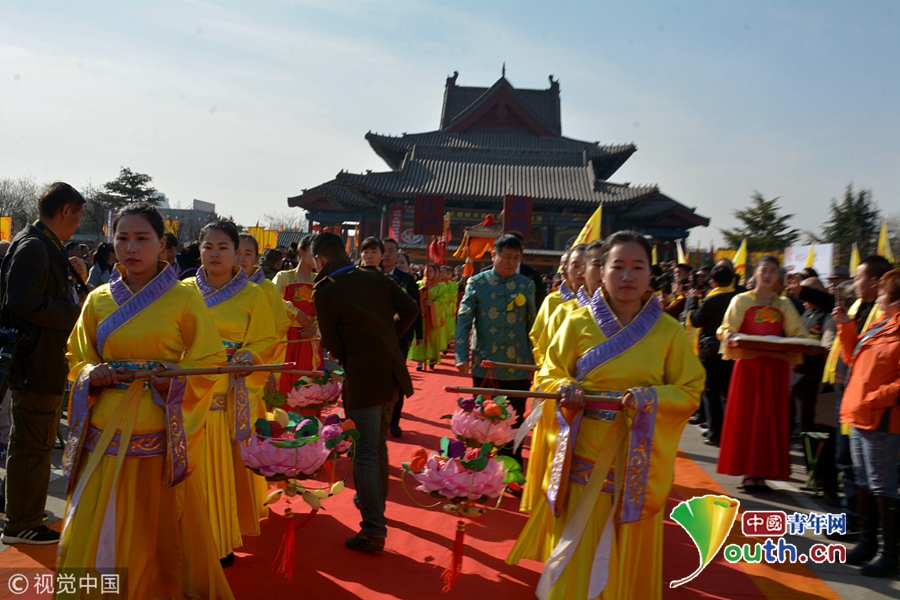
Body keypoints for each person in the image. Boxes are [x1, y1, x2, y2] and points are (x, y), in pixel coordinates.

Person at [507, 231, 704, 600]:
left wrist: (649, 398)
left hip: (635, 462)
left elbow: (690, 387)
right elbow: (550, 371)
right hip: (583, 453)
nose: (627, 275)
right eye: (618, 266)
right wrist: (565, 387)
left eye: (637, 266)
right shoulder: (577, 322)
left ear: (650, 274)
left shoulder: (669, 332)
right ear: (602, 271)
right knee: (577, 548)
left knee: (621, 560)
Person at [58, 202, 233, 598]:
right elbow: (77, 356)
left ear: (162, 244)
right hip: (103, 429)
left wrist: (169, 382)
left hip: (157, 427)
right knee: (96, 523)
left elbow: (207, 361)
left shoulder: (184, 299)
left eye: (142, 238)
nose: (131, 247)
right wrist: (91, 374)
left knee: (153, 527)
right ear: (111, 242)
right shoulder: (98, 298)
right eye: (122, 238)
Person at [311, 232, 419, 552]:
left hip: (364, 377)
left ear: (319, 259)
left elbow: (331, 341)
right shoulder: (374, 277)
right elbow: (411, 309)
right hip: (392, 373)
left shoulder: (326, 290)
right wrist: (386, 337)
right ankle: (372, 507)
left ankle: (373, 529)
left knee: (365, 453)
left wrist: (355, 355)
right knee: (376, 445)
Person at [186, 221, 278, 566]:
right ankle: (188, 539)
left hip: (227, 394)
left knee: (222, 470)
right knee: (188, 470)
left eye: (223, 247)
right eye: (208, 246)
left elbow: (267, 340)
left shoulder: (253, 294)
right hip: (187, 392)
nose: (215, 253)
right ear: (199, 250)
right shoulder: (181, 291)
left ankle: (221, 539)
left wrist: (246, 357)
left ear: (236, 253)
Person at [0, 182, 84, 545]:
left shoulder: (39, 243)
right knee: (32, 443)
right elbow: (24, 301)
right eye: (78, 216)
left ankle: (26, 512)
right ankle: (22, 522)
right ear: (65, 210)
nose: (78, 225)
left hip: (42, 360)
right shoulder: (35, 246)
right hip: (35, 362)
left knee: (35, 441)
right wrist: (74, 312)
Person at [716, 256, 809, 492]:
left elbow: (797, 332)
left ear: (779, 277)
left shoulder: (784, 304)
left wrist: (803, 342)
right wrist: (727, 335)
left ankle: (763, 472)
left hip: (775, 369)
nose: (767, 275)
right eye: (763, 270)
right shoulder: (741, 300)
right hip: (748, 367)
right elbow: (727, 327)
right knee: (748, 418)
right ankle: (748, 473)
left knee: (770, 419)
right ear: (755, 274)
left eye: (772, 272)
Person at [834, 268, 900, 577]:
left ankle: (890, 552)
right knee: (863, 480)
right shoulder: (879, 325)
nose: (878, 294)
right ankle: (867, 542)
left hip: (882, 419)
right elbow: (852, 358)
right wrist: (846, 328)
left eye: (884, 291)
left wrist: (875, 398)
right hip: (859, 415)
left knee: (882, 485)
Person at [823, 256, 891, 540]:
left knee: (867, 472)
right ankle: (857, 524)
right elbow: (851, 353)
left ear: (876, 283)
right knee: (848, 462)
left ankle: (862, 527)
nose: (854, 283)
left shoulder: (882, 314)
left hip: (870, 404)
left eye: (859, 277)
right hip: (848, 395)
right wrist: (844, 324)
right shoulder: (860, 306)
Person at [455, 234, 536, 463]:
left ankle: (511, 465)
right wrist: (461, 355)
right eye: (506, 257)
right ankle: (479, 463)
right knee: (481, 415)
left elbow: (533, 324)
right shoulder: (477, 283)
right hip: (485, 361)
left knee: (514, 416)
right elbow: (464, 319)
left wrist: (534, 361)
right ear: (494, 255)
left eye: (516, 257)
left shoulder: (526, 285)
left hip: (517, 363)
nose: (511, 262)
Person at [689, 264, 737, 447]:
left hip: (710, 351)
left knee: (711, 392)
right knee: (728, 393)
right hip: (731, 350)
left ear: (714, 281)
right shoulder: (738, 297)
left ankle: (715, 432)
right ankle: (730, 431)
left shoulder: (711, 299)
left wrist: (693, 301)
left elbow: (696, 320)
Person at [381, 238, 421, 438]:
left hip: (400, 338)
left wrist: (418, 334)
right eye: (384, 250)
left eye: (391, 251)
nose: (387, 254)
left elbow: (416, 309)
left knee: (397, 380)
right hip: (375, 339)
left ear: (397, 255)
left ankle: (394, 421)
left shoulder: (407, 279)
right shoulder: (370, 276)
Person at [273, 234, 322, 396]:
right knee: (284, 384)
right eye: (313, 251)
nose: (317, 257)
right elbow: (272, 298)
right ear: (301, 252)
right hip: (288, 339)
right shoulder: (284, 277)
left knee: (308, 386)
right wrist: (295, 312)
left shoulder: (320, 281)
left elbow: (327, 310)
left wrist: (315, 329)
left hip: (310, 340)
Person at [409, 264, 447, 371]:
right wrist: (422, 291)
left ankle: (432, 359)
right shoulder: (418, 284)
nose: (428, 273)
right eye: (426, 270)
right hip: (421, 315)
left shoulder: (441, 286)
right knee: (420, 336)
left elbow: (443, 300)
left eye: (431, 271)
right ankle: (420, 361)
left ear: (436, 273)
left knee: (432, 337)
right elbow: (414, 297)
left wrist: (433, 303)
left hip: (432, 316)